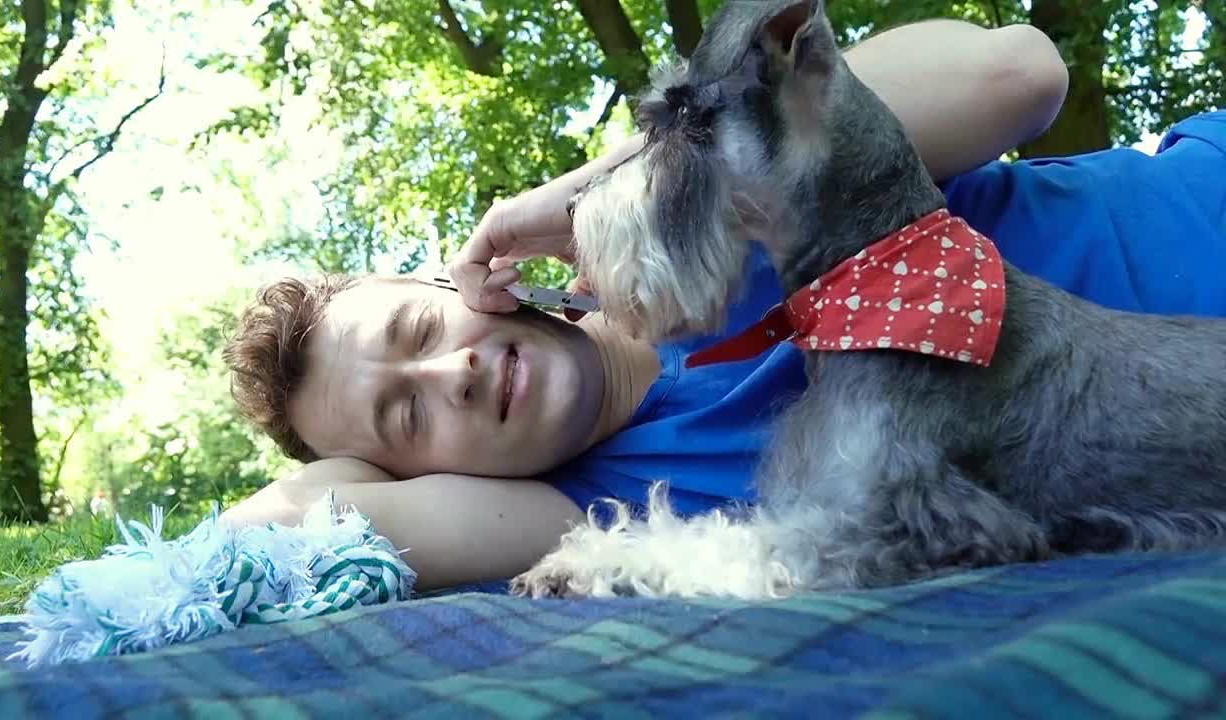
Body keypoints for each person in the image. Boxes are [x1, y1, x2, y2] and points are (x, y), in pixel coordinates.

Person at [219, 18, 1226, 593]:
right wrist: (342, 446)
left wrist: (611, 183)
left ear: (467, 281)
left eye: (421, 333)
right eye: (408, 416)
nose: (454, 373)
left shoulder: (715, 209)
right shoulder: (589, 513)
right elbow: (284, 519)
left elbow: (1016, 73)